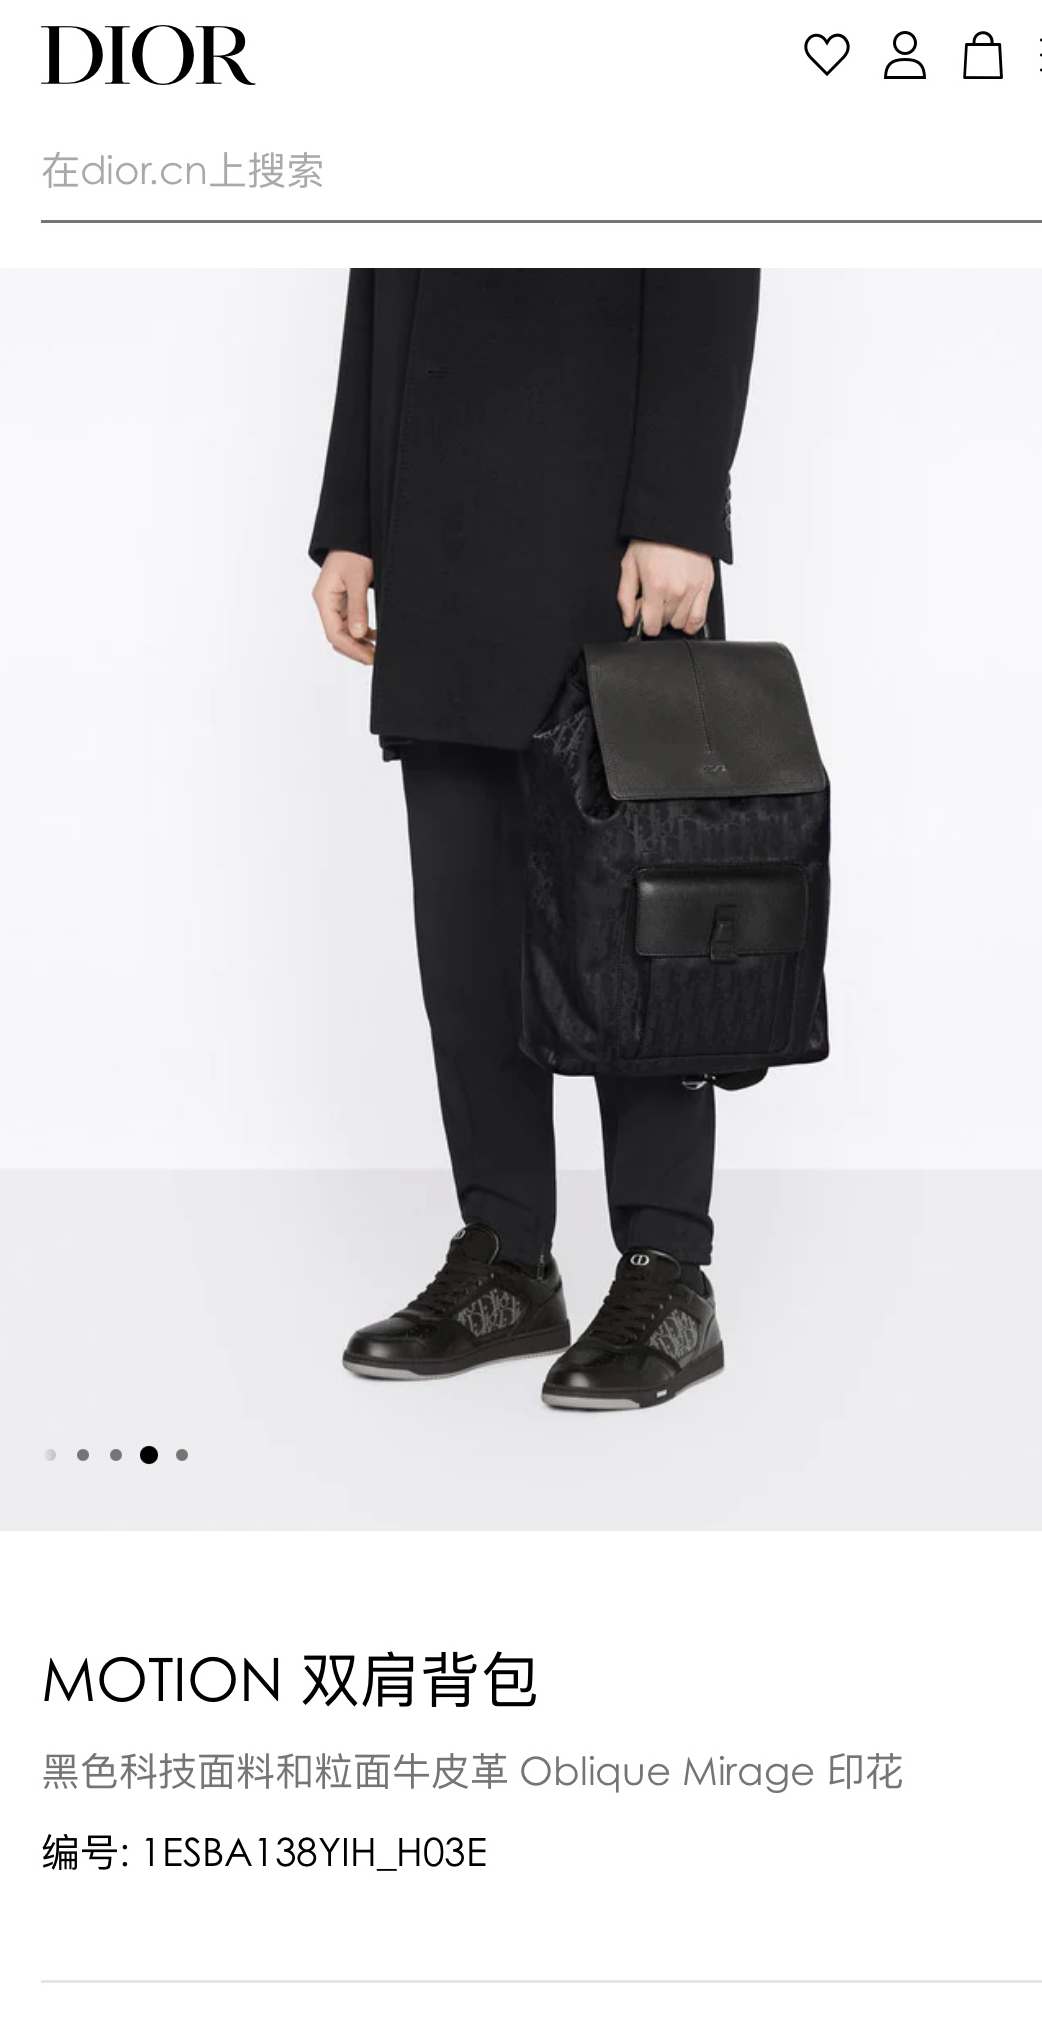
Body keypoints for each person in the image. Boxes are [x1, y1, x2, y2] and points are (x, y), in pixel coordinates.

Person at [310, 270, 759, 1411]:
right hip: (440, 514)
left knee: (636, 920)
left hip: (605, 509)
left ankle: (668, 1270)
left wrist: (679, 507)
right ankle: (507, 1261)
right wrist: (352, 519)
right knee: (467, 921)